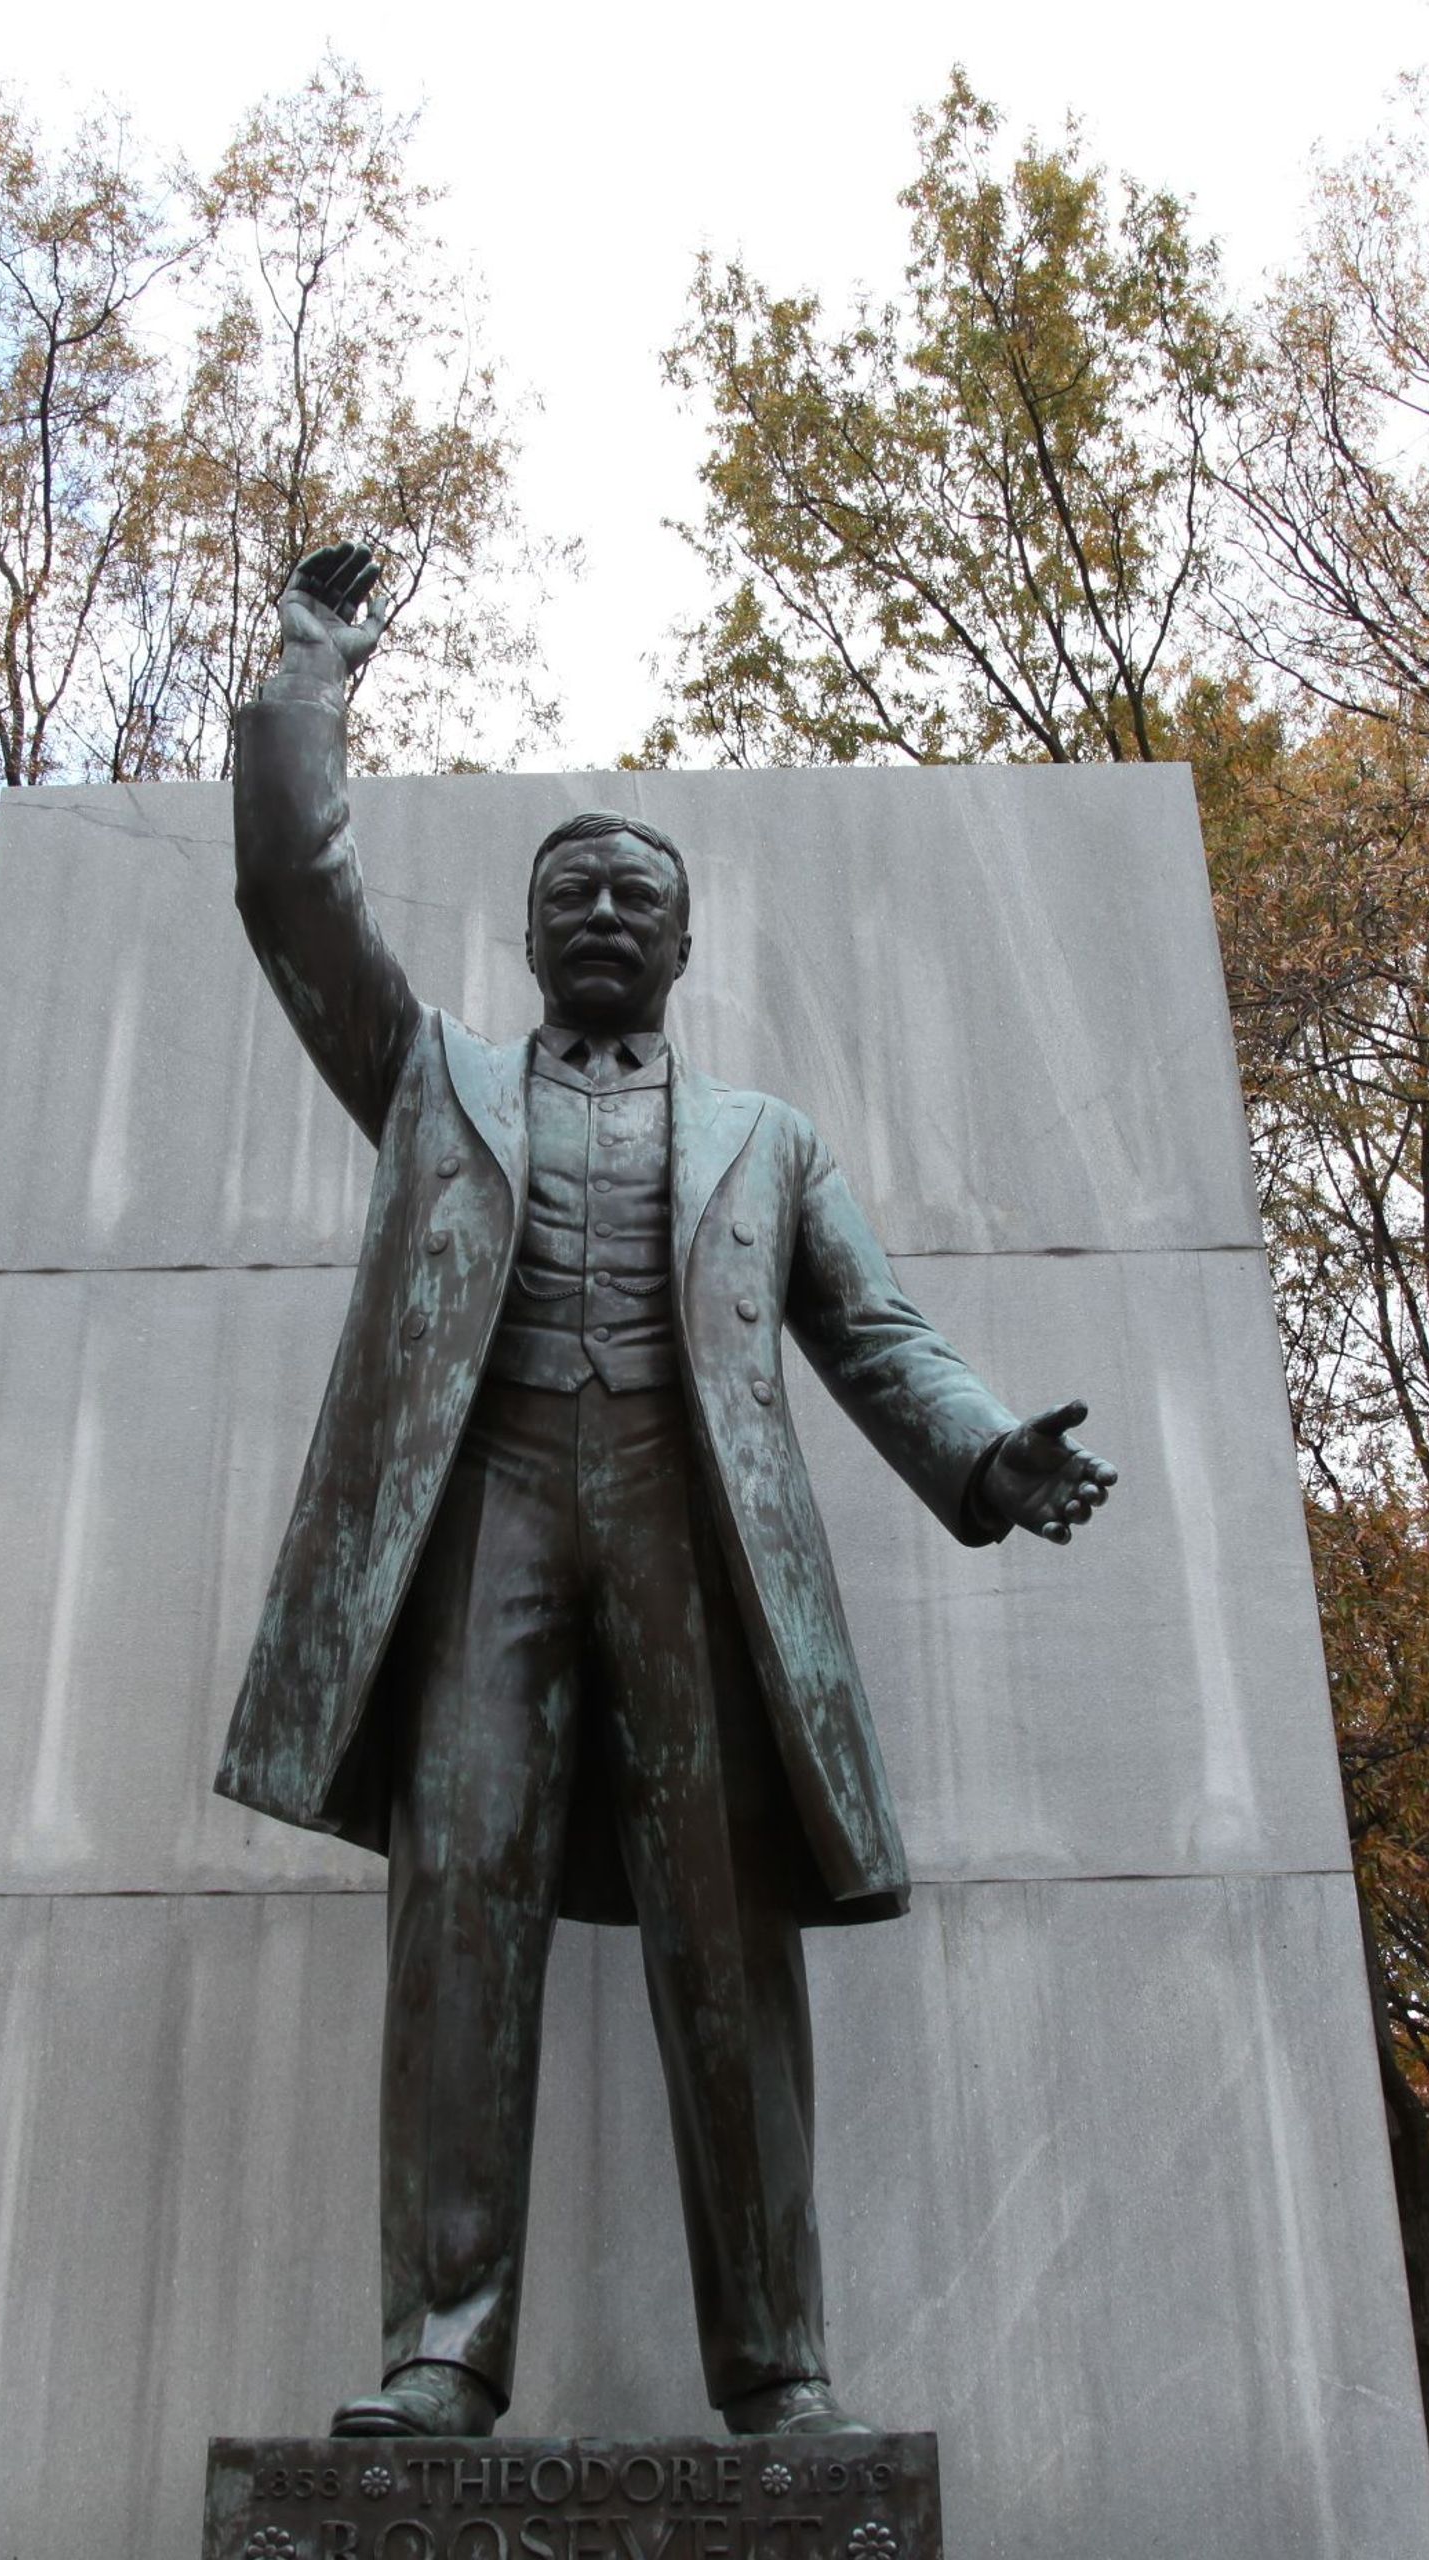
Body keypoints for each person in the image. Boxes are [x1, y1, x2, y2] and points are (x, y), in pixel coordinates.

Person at [217, 541, 1116, 2442]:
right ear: (532, 939)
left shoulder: (766, 1141)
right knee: (459, 1921)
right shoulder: (430, 1078)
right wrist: (313, 673)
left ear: (683, 946)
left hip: (695, 1541)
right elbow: (294, 890)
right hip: (486, 1532)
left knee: (730, 1944)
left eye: (640, 891)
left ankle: (778, 2365)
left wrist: (981, 1449)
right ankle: (440, 2348)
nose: (607, 907)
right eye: (575, 889)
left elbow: (872, 1334)